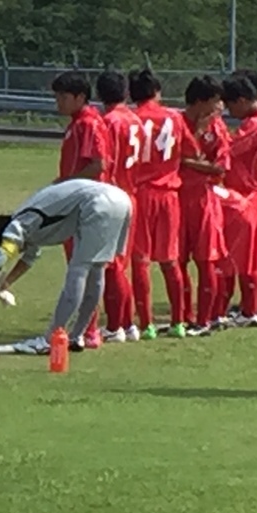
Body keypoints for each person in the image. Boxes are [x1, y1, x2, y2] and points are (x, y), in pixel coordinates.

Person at [0, 179, 132, 356]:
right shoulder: (31, 225)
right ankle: (76, 336)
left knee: (79, 269)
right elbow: (29, 258)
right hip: (120, 200)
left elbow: (3, 254)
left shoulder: (19, 223)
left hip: (97, 204)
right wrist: (6, 282)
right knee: (96, 269)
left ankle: (49, 339)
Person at [126, 68, 187, 338]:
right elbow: (188, 149)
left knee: (140, 260)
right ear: (157, 92)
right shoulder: (175, 117)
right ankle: (178, 322)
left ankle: (147, 324)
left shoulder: (132, 118)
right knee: (170, 259)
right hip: (170, 194)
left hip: (141, 193)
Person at [216, 74, 257, 326]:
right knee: (253, 253)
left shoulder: (255, 125)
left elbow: (227, 148)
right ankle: (254, 305)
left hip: (247, 194)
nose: (229, 112)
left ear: (241, 100)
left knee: (243, 255)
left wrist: (213, 126)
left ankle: (250, 308)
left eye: (230, 106)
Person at [178, 76, 231, 335]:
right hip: (177, 198)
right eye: (213, 101)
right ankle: (184, 316)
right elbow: (171, 157)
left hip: (203, 199)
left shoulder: (218, 128)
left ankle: (206, 318)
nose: (217, 107)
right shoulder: (177, 123)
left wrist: (187, 162)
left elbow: (220, 166)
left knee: (206, 259)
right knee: (176, 261)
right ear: (200, 102)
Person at [95, 71, 140, 343]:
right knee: (122, 264)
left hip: (114, 194)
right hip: (133, 191)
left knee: (112, 265)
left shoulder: (108, 122)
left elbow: (105, 161)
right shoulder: (135, 119)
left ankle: (116, 325)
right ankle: (128, 322)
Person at [53, 71, 109, 183]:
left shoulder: (89, 123)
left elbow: (98, 165)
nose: (59, 102)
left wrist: (69, 182)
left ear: (80, 97)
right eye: (57, 97)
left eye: (64, 98)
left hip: (86, 193)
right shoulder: (77, 122)